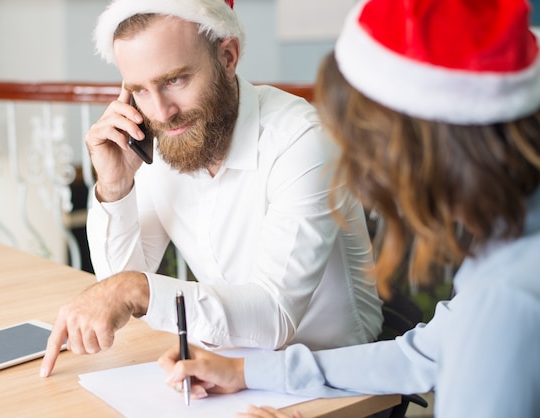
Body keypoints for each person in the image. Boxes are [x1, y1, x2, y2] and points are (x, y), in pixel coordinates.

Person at [158, 0, 540, 417]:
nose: (359, 172)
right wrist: (246, 372)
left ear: (426, 144)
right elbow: (422, 356)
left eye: (364, 140)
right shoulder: (509, 242)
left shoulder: (504, 299)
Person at [40, 0, 384, 377]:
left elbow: (275, 315)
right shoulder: (165, 144)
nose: (161, 112)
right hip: (231, 371)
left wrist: (137, 290)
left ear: (228, 57)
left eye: (175, 80)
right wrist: (115, 187)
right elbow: (118, 288)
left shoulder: (302, 140)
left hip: (337, 381)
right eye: (139, 90)